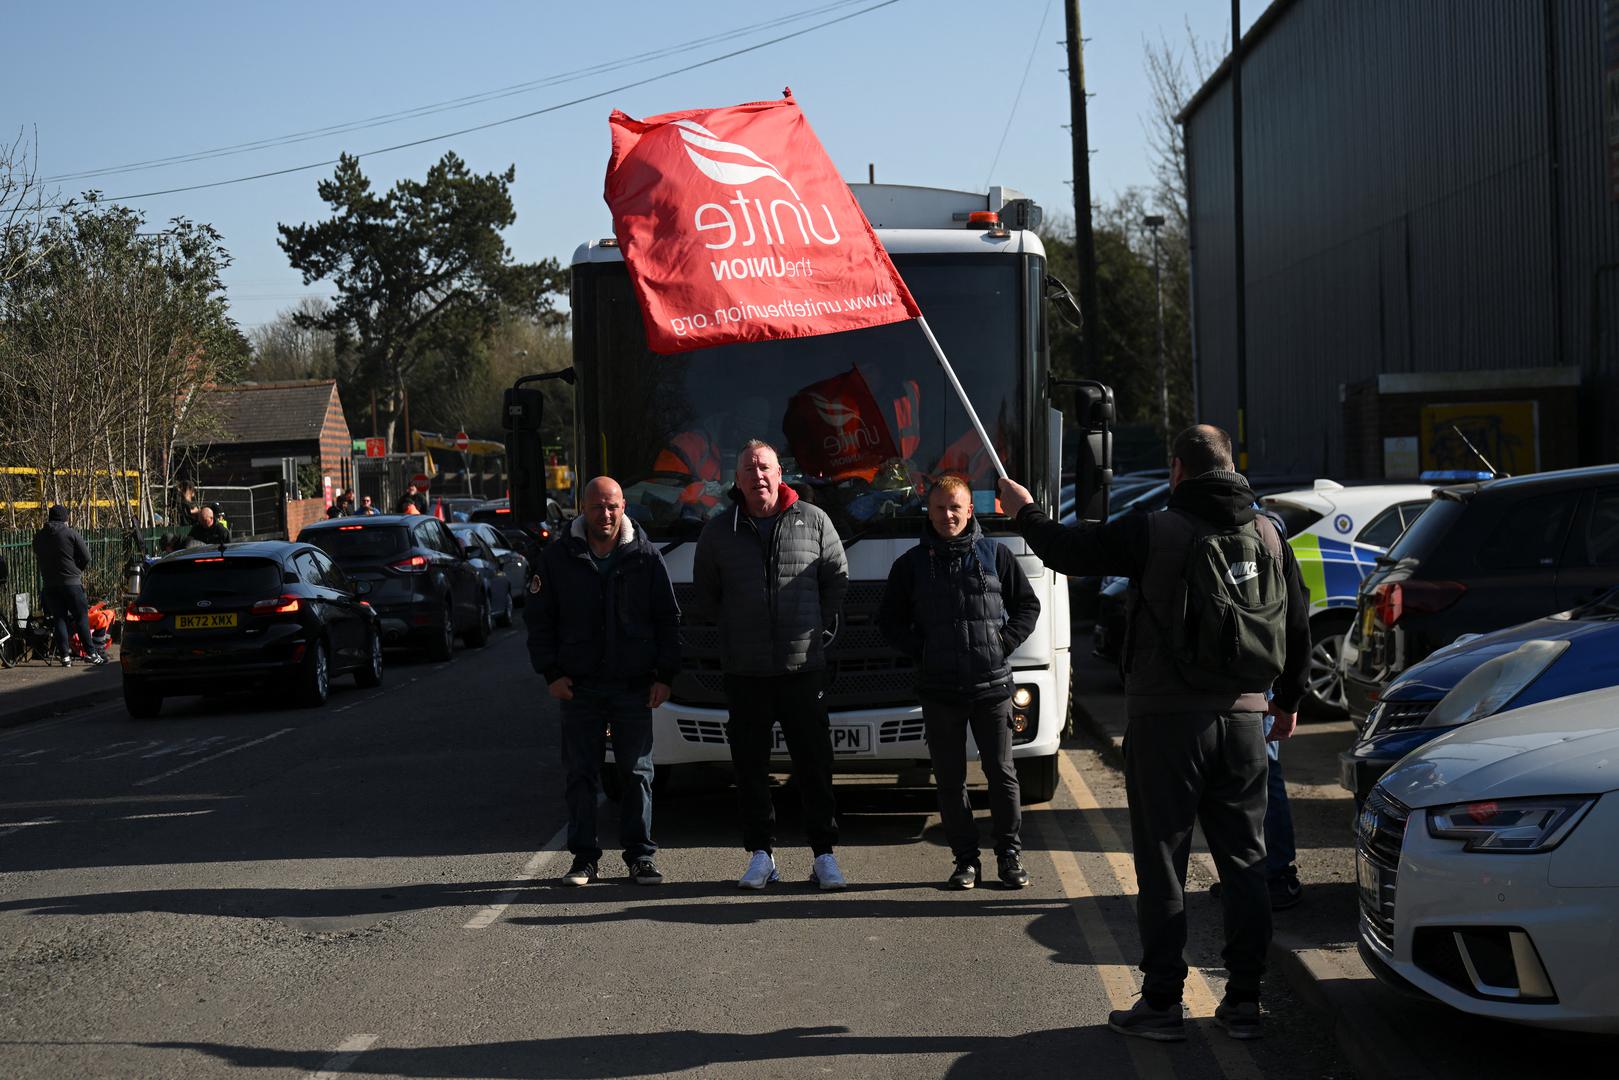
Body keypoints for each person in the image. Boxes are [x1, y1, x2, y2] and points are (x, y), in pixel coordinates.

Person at [997, 424, 1310, 1043]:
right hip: (1248, 719)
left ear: (1176, 471)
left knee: (1163, 863)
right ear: (1231, 467)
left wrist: (1025, 512)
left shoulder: (1156, 528)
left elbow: (1069, 552)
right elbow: (1295, 621)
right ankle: (1245, 1003)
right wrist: (1290, 701)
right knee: (1246, 860)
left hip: (1168, 722)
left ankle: (1163, 1005)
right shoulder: (1270, 532)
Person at [692, 439, 850, 891]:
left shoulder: (815, 521)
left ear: (781, 474)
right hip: (745, 670)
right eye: (748, 469)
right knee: (750, 767)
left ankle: (823, 855)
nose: (757, 476)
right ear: (736, 480)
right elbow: (707, 595)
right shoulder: (719, 531)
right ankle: (761, 854)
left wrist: (810, 626)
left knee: (814, 765)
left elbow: (836, 581)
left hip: (803, 668)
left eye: (765, 468)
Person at [877, 474, 1040, 890]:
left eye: (955, 507)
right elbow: (889, 621)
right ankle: (965, 860)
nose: (947, 515)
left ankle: (1009, 855)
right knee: (950, 782)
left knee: (1001, 774)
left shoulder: (996, 554)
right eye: (938, 508)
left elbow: (1027, 605)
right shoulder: (911, 565)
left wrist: (1001, 643)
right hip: (939, 690)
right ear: (928, 512)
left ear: (971, 510)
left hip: (991, 687)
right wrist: (924, 650)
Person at [526, 476, 681, 887]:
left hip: (633, 685)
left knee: (636, 773)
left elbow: (669, 620)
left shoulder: (646, 557)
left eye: (612, 506)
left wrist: (665, 676)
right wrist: (551, 674)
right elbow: (539, 621)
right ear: (583, 508)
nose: (605, 514)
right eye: (597, 506)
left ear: (624, 506)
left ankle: (640, 857)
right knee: (581, 774)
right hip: (579, 687)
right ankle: (583, 860)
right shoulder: (558, 558)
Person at [32, 505, 106, 668]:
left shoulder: (39, 537)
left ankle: (65, 656)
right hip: (72, 583)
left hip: (50, 585)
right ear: (65, 518)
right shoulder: (70, 534)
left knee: (59, 619)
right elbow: (86, 557)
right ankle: (91, 653)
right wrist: (76, 570)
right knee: (81, 618)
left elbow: (39, 555)